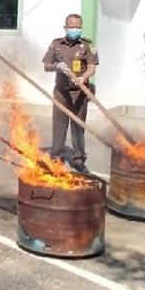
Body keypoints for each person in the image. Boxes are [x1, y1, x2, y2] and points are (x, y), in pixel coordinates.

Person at [42, 13, 99, 171]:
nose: (75, 29)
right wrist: (57, 66)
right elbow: (46, 65)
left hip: (79, 93)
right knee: (59, 126)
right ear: (65, 27)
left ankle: (79, 159)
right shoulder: (56, 44)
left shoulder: (87, 45)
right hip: (61, 92)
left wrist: (84, 77)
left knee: (78, 126)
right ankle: (56, 158)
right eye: (72, 26)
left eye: (78, 26)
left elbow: (92, 66)